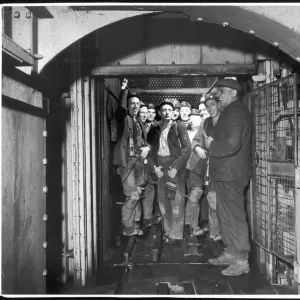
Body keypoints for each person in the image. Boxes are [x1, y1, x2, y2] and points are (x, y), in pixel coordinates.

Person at [205, 79, 251, 276]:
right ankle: (231, 252)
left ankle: (242, 260)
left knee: (234, 216)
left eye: (222, 92)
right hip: (226, 174)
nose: (219, 96)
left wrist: (211, 144)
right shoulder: (230, 113)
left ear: (234, 92)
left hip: (232, 174)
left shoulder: (235, 112)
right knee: (225, 216)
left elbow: (231, 145)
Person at [147, 100, 191, 244]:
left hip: (174, 166)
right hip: (160, 166)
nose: (166, 112)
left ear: (173, 112)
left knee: (176, 201)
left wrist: (176, 167)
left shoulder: (179, 127)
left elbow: (186, 150)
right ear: (159, 113)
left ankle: (176, 234)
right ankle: (168, 231)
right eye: (163, 110)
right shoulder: (154, 129)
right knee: (163, 201)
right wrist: (154, 167)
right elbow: (150, 150)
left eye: (169, 110)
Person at [113, 78, 151, 236]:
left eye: (137, 103)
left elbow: (145, 142)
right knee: (133, 195)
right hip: (126, 162)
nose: (135, 106)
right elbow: (120, 108)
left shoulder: (139, 123)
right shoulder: (124, 118)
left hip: (139, 162)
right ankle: (127, 225)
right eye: (132, 103)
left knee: (138, 192)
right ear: (128, 106)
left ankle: (134, 225)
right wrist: (124, 90)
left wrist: (147, 148)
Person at [193, 95, 222, 241]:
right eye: (207, 106)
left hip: (226, 166)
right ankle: (215, 232)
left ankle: (222, 231)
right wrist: (197, 148)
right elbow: (195, 140)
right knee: (212, 198)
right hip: (210, 167)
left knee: (223, 201)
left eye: (212, 105)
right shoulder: (205, 122)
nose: (210, 109)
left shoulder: (228, 121)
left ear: (219, 104)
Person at [138, 103, 162, 228]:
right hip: (143, 162)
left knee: (156, 188)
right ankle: (147, 217)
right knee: (147, 188)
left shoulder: (157, 127)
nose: (150, 114)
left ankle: (157, 215)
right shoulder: (140, 125)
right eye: (148, 112)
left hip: (155, 161)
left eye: (153, 112)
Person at [185, 109, 206, 236]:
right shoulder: (188, 131)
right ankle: (193, 225)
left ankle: (215, 229)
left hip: (211, 166)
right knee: (195, 194)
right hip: (195, 166)